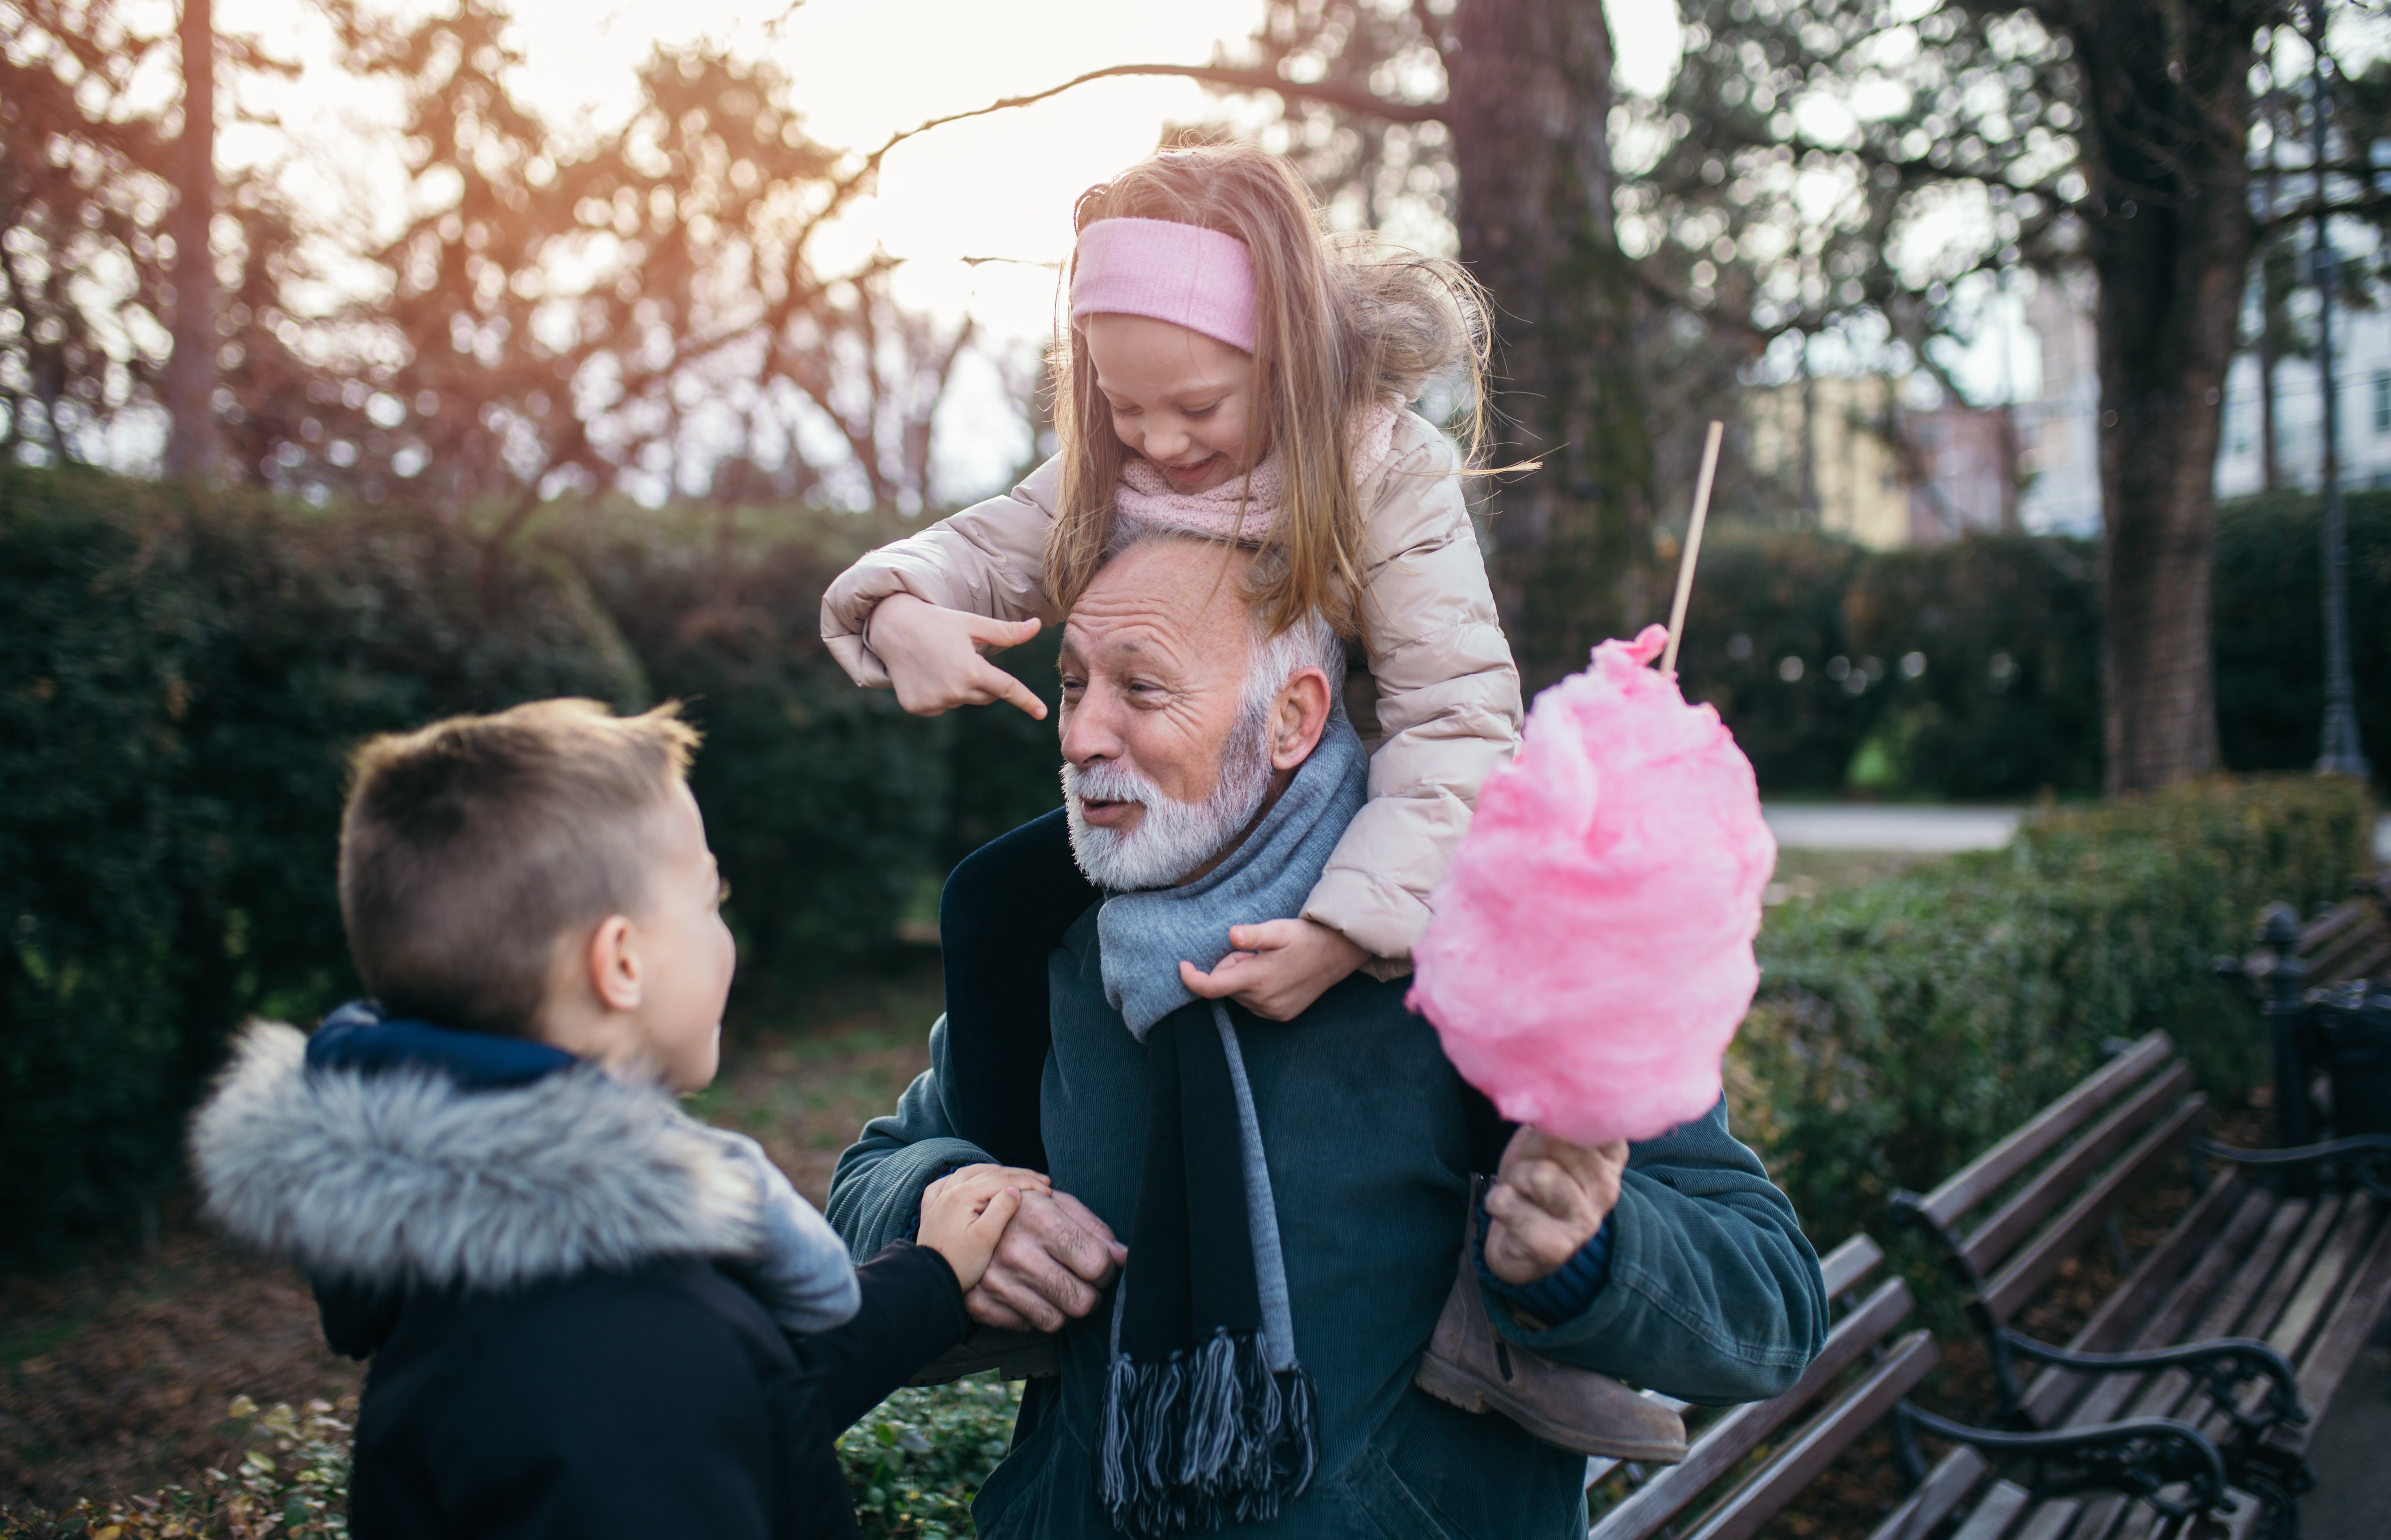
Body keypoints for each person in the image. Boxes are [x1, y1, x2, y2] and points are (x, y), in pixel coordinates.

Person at [828, 529, 1829, 1540]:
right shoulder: (1055, 944)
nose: (1082, 734)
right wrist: (947, 1204)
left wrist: (1594, 1252)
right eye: (1075, 682)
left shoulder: (1505, 943)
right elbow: (873, 1181)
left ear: (1293, 718)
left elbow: (1775, 1307)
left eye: (1141, 689)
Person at [191, 699, 1030, 1540]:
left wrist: (927, 1281)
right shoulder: (612, 1339)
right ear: (622, 962)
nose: (727, 935)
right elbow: (669, 1402)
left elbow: (739, 1403)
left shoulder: (504, 1257)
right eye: (710, 897)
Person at [819, 142, 1519, 1033]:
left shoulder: (1381, 469)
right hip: (1178, 813)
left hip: (1344, 835)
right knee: (993, 905)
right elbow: (973, 554)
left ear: (1286, 358)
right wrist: (897, 611)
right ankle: (995, 1105)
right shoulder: (1107, 471)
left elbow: (1455, 715)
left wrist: (1348, 929)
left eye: (1198, 408)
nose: (1160, 443)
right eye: (1125, 405)